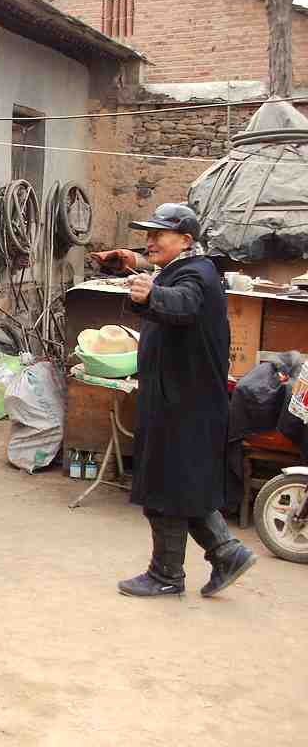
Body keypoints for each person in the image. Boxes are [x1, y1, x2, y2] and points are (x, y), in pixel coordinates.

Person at [117, 202, 256, 598]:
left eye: (158, 234)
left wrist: (152, 294)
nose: (150, 241)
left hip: (185, 403)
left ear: (185, 239)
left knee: (167, 486)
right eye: (148, 234)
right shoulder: (183, 270)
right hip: (178, 399)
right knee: (182, 483)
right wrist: (133, 272)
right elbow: (167, 295)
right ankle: (227, 553)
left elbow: (183, 303)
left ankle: (166, 575)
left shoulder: (197, 274)